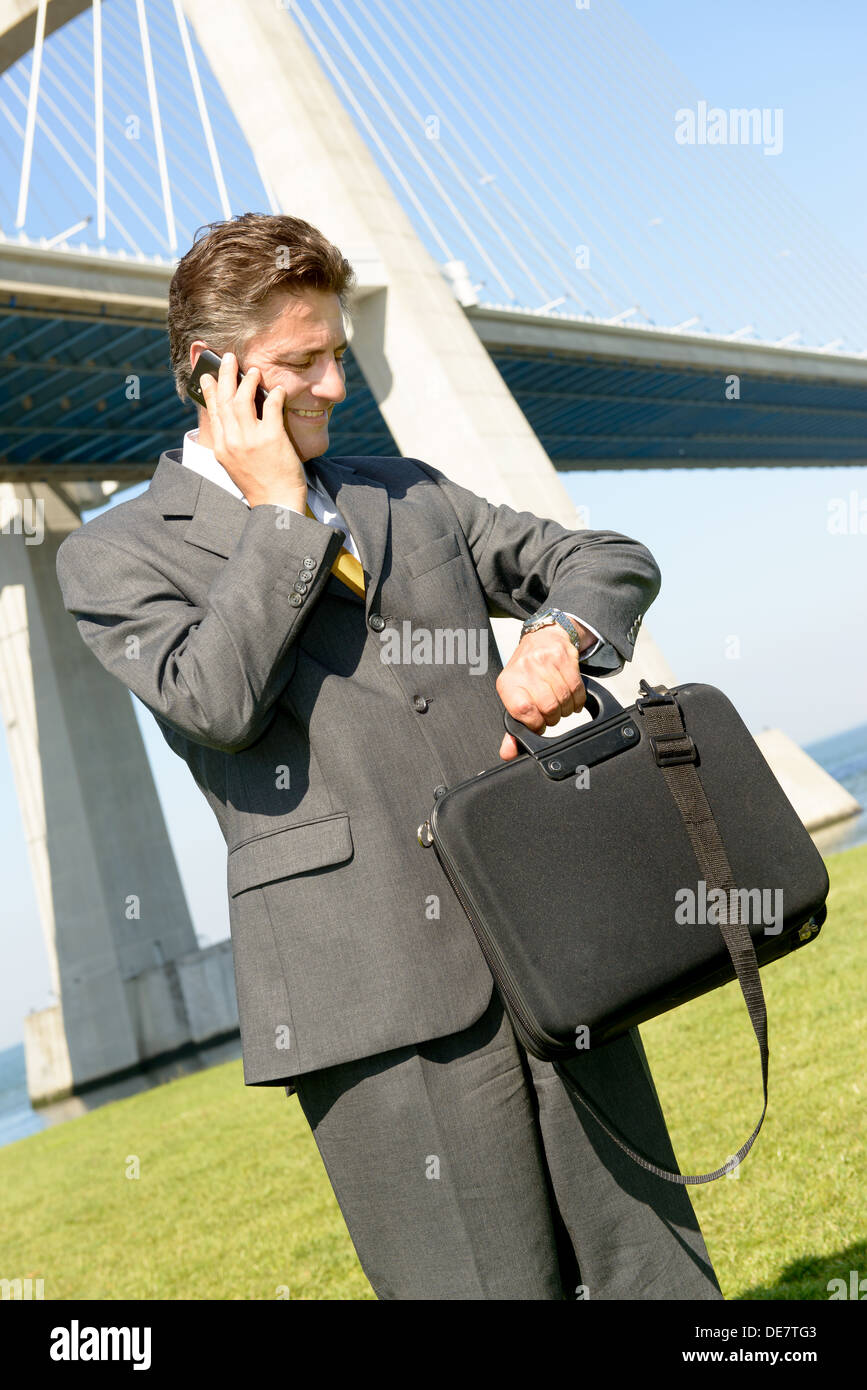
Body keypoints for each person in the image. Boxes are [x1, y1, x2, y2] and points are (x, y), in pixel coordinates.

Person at [56, 212, 723, 1301]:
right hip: (371, 993)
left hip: (552, 943)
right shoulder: (112, 555)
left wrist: (560, 635)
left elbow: (603, 556)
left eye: (336, 354)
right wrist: (279, 516)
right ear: (212, 375)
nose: (331, 383)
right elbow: (217, 701)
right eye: (299, 364)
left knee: (659, 1274)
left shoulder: (404, 487)